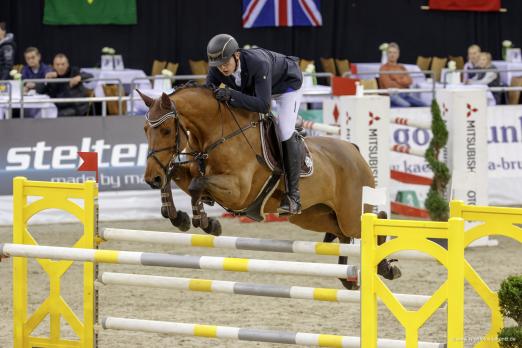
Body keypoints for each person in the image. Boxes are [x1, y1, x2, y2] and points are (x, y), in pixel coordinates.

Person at [206, 34, 303, 215]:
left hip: (285, 87)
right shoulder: (217, 68)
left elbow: (264, 106)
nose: (222, 67)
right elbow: (208, 94)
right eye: (218, 65)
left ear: (236, 55)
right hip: (257, 91)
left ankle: (293, 196)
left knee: (284, 130)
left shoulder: (258, 63)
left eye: (226, 62)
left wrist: (230, 94)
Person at [379, 42, 425, 107]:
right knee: (407, 106)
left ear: (398, 54)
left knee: (424, 105)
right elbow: (388, 85)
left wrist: (396, 80)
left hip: (404, 94)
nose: (392, 55)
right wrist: (402, 82)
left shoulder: (402, 67)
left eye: (394, 53)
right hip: (391, 96)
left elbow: (409, 81)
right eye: (390, 52)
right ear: (387, 54)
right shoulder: (383, 68)